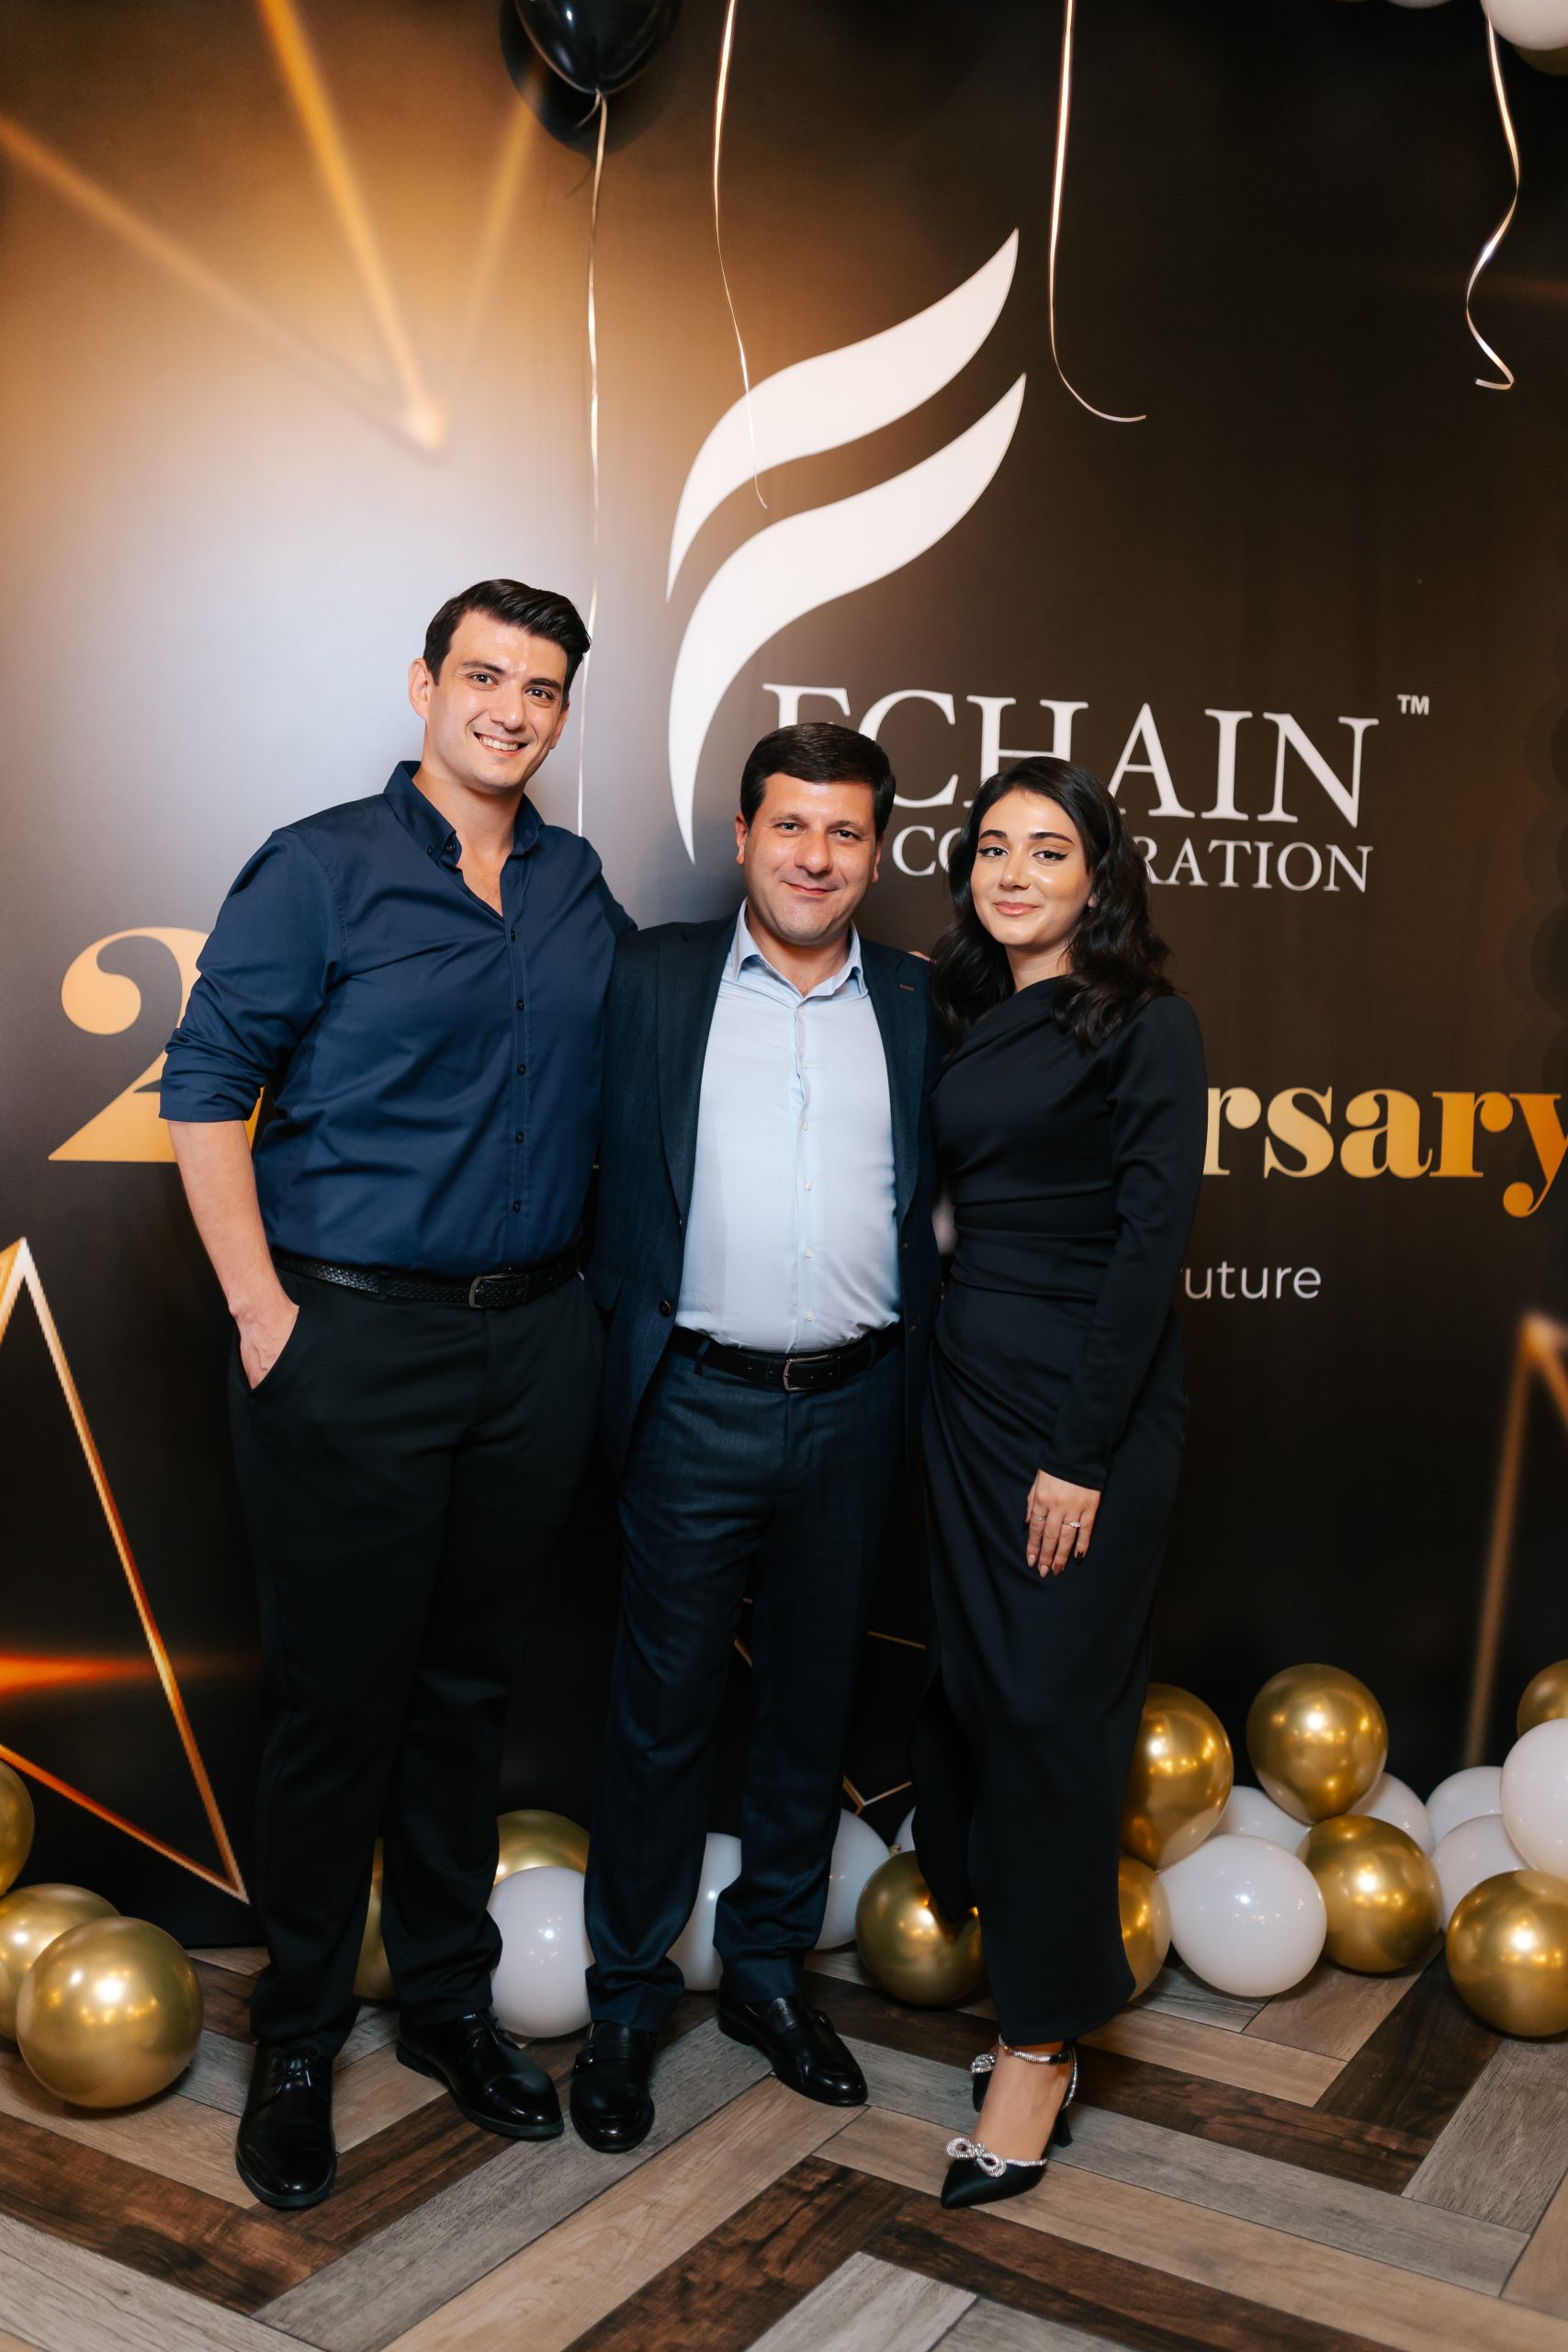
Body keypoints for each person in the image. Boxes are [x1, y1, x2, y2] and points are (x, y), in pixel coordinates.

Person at [161, 579, 628, 2209]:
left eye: (543, 688)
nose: (511, 709)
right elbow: (206, 1087)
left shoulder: (575, 884)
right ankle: (295, 2041)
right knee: (335, 1707)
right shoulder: (319, 866)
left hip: (532, 1345)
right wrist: (263, 1314)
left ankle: (443, 2005)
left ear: (562, 713)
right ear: (423, 684)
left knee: (464, 1698)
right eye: (484, 675)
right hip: (349, 1341)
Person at [570, 721, 942, 2154]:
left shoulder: (916, 1001)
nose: (816, 856)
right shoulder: (654, 976)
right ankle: (623, 2002)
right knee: (658, 1717)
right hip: (691, 1400)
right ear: (742, 837)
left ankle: (770, 1976)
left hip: (856, 1405)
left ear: (877, 853)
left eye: (846, 832)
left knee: (808, 1707)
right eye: (791, 825)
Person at [911, 756, 1206, 2211]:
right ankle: (1026, 1995)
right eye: (992, 847)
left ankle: (1039, 2047)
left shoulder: (1147, 1022)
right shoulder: (970, 1019)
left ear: (1100, 875)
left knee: (1047, 1716)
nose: (1014, 871)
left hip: (1079, 1425)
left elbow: (1149, 1248)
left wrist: (1078, 1458)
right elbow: (960, 1206)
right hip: (967, 1403)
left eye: (1047, 848)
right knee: (982, 1701)